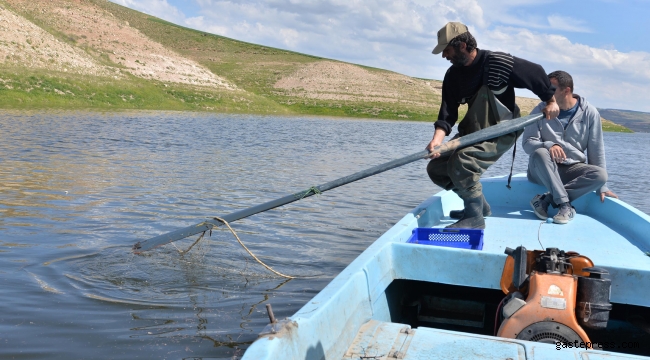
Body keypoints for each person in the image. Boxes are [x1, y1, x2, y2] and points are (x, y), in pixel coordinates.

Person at [427, 22, 559, 229]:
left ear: (462, 45)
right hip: (472, 132)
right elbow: (447, 112)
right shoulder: (453, 75)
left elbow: (535, 72)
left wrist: (550, 100)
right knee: (437, 168)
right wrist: (437, 140)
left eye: (447, 50)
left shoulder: (497, 62)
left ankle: (474, 219)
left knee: (463, 161)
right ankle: (479, 207)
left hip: (502, 131)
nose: (444, 56)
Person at [523, 70, 617, 224]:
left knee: (601, 175)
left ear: (567, 90)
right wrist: (548, 145)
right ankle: (565, 205)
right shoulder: (539, 109)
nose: (546, 93)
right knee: (540, 152)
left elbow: (596, 149)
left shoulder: (590, 113)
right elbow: (527, 143)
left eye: (551, 89)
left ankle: (545, 200)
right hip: (541, 169)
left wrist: (602, 187)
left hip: (571, 169)